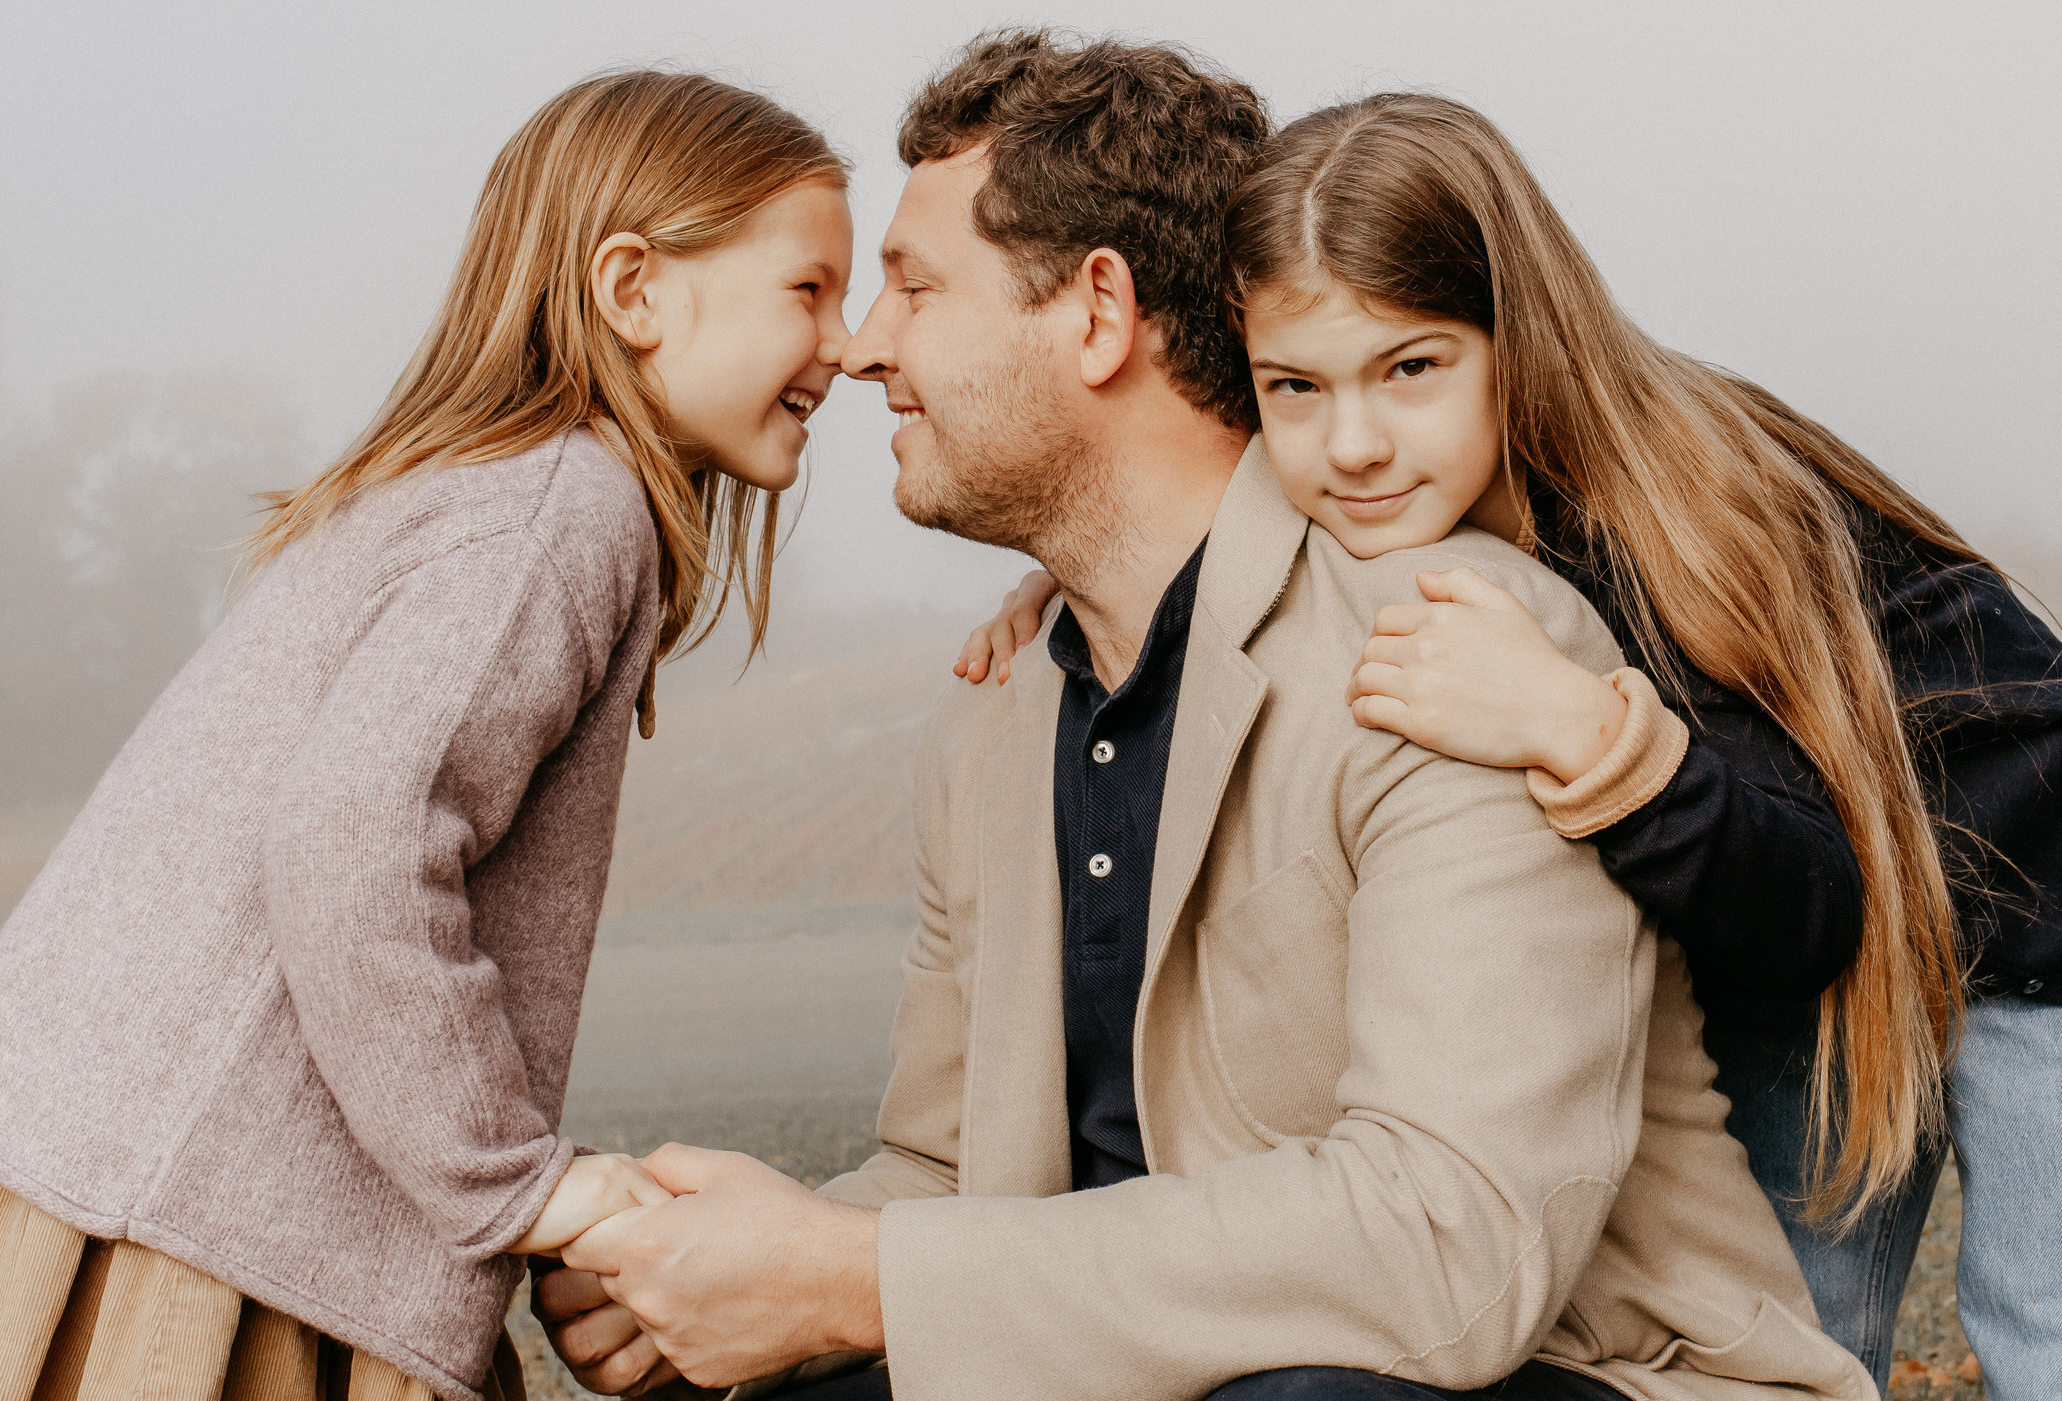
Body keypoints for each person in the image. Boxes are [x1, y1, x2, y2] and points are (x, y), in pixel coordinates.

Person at [537, 32, 1873, 1401]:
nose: (866, 348)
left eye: (915, 288)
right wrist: (720, 1265)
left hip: (1552, 1367)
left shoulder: (1456, 650)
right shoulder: (994, 718)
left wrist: (847, 1278)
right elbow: (953, 1176)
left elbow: (1444, 1246)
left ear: (1099, 312)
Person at [959, 88, 2062, 1399]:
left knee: (2038, 1329)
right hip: (1808, 890)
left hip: (2019, 898)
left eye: (1411, 368)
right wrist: (1104, 583)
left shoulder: (1654, 527)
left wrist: (1576, 726)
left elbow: (1807, 907)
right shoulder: (1408, 481)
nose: (1353, 441)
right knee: (1790, 1321)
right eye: (1295, 387)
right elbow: (1216, 500)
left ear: (1512, 339)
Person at [0, 70, 853, 1401]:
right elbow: (355, 839)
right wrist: (518, 1184)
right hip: (202, 1236)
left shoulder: (480, 489)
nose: (847, 345)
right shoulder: (566, 513)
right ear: (632, 289)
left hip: (102, 1173)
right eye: (810, 289)